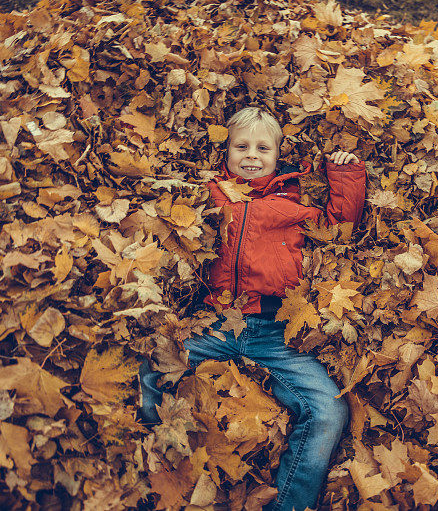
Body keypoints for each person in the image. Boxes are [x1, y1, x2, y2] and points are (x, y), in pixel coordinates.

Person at [139, 106, 367, 511]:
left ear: (278, 157)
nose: (251, 155)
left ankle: (290, 505)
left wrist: (345, 175)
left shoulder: (292, 208)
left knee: (328, 410)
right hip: (217, 324)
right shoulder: (210, 193)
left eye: (263, 148)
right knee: (150, 364)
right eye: (241, 146)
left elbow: (339, 226)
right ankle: (153, 467)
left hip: (274, 332)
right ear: (225, 153)